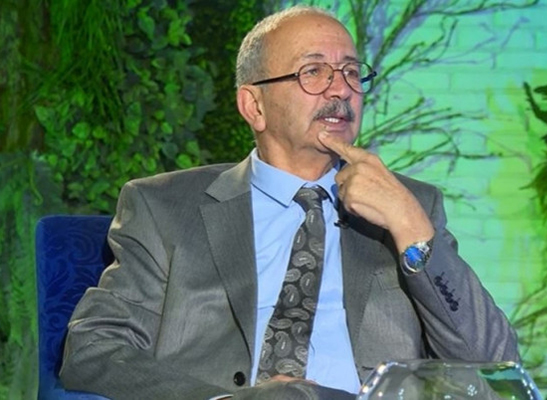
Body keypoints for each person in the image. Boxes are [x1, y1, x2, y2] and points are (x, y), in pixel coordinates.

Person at [60, 5, 520, 400]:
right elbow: (94, 349)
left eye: (352, 72)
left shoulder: (410, 205)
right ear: (254, 106)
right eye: (313, 72)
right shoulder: (164, 207)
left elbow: (494, 369)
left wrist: (411, 228)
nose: (340, 90)